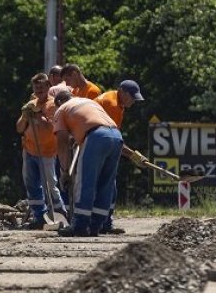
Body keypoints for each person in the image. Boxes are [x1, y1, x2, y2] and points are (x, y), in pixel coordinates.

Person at [53, 90, 122, 237]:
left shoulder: (61, 109)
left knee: (85, 181)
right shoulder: (89, 102)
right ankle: (96, 226)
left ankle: (80, 225)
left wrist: (64, 171)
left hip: (95, 137)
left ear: (58, 103)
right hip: (116, 136)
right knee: (106, 183)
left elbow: (62, 144)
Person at [94, 79, 146, 234]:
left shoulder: (115, 101)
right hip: (98, 146)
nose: (134, 101)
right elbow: (113, 139)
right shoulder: (112, 105)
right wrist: (133, 156)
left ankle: (103, 223)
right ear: (121, 92)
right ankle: (103, 224)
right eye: (132, 97)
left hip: (98, 145)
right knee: (107, 187)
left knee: (107, 187)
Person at [17, 74, 64, 228]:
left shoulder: (52, 105)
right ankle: (39, 216)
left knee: (50, 185)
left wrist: (37, 114)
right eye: (36, 87)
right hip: (30, 150)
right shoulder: (31, 104)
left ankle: (61, 215)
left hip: (47, 152)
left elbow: (50, 128)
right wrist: (25, 116)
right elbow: (19, 128)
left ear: (48, 87)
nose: (39, 90)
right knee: (32, 184)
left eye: (42, 87)